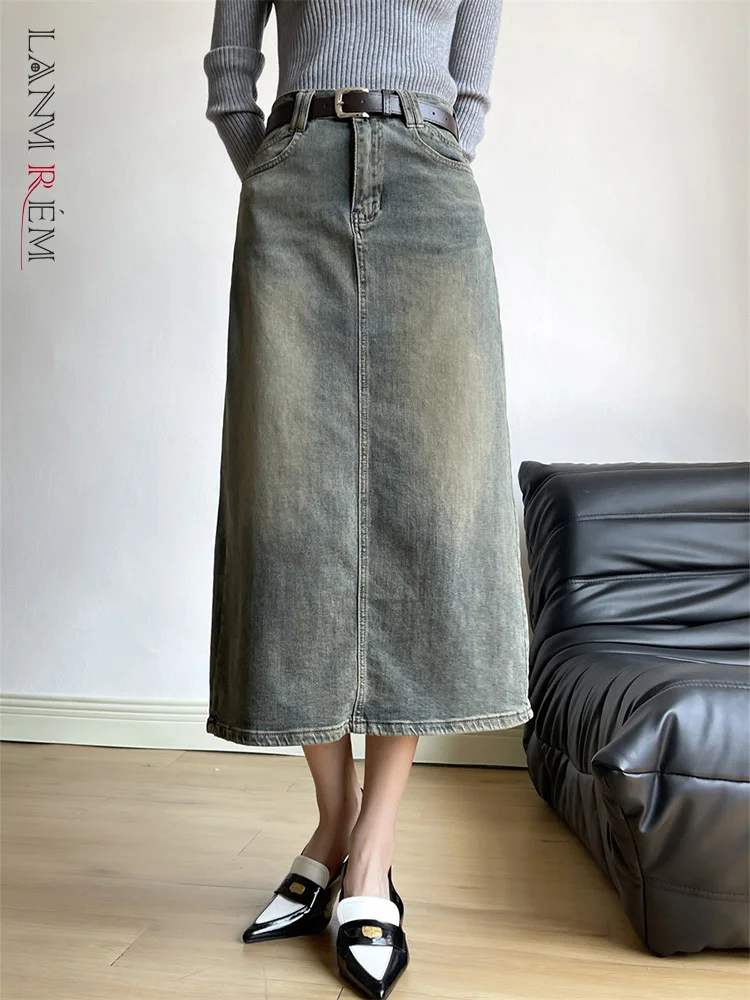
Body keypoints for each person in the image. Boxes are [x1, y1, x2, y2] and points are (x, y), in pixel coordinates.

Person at [202, 2, 533, 997]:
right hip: (294, 182)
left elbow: (472, 87)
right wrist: (273, 165)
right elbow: (230, 69)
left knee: (427, 515)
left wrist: (430, 144)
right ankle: (335, 820)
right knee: (289, 510)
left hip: (431, 189)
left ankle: (370, 851)